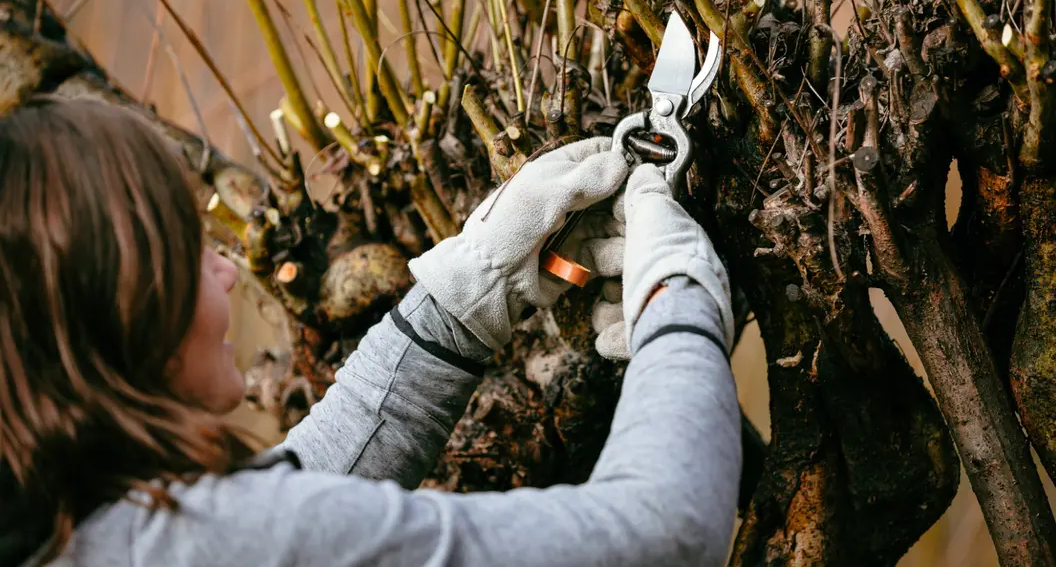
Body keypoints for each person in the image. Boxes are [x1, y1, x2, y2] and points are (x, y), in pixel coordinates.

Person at [0, 94, 741, 567]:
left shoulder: (69, 531)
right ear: (124, 298)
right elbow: (663, 533)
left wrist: (465, 293)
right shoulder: (198, 542)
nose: (226, 272)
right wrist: (678, 297)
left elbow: (302, 507)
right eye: (189, 247)